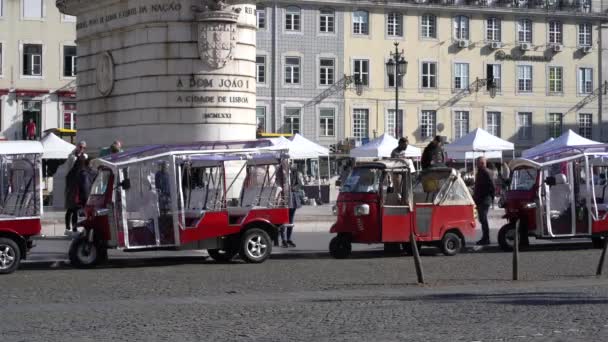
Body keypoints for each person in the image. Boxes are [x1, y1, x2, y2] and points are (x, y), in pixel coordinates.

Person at [474, 157, 495, 245]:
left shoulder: (486, 172)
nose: (477, 165)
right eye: (478, 163)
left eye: (479, 163)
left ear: (483, 163)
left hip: (485, 198)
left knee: (483, 218)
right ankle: (485, 237)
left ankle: (486, 238)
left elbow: (492, 186)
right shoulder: (480, 172)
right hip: (481, 198)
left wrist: (491, 197)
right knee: (482, 219)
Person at [281, 164, 303, 248]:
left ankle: (288, 239)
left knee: (291, 220)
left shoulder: (295, 172)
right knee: (283, 220)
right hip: (284, 198)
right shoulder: (281, 172)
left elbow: (299, 184)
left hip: (293, 198)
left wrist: (294, 188)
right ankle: (283, 240)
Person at [64, 155, 85, 236]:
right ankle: (74, 227)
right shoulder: (79, 171)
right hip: (75, 193)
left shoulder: (72, 170)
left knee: (70, 210)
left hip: (71, 193)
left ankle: (68, 227)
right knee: (74, 211)